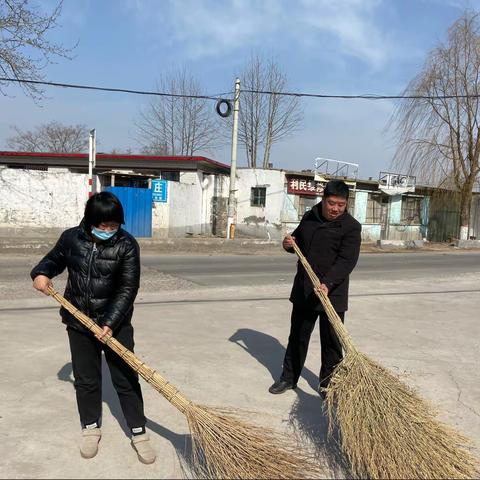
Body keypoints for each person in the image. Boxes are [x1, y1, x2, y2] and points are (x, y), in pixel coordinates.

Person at [31, 192, 156, 464]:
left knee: (125, 379)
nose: (109, 231)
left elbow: (127, 288)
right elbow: (53, 260)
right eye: (104, 226)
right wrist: (41, 273)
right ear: (90, 221)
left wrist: (110, 323)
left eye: (114, 226)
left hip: (116, 324)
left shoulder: (126, 245)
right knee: (86, 379)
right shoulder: (71, 238)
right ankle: (90, 428)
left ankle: (139, 432)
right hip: (79, 322)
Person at [269, 180, 361, 397]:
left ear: (346, 204)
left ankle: (328, 385)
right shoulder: (310, 217)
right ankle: (288, 378)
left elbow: (347, 260)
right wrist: (288, 245)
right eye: (331, 203)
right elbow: (297, 241)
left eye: (341, 204)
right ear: (323, 199)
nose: (335, 209)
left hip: (332, 293)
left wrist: (328, 283)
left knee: (332, 342)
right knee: (298, 337)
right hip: (305, 290)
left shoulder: (351, 226)